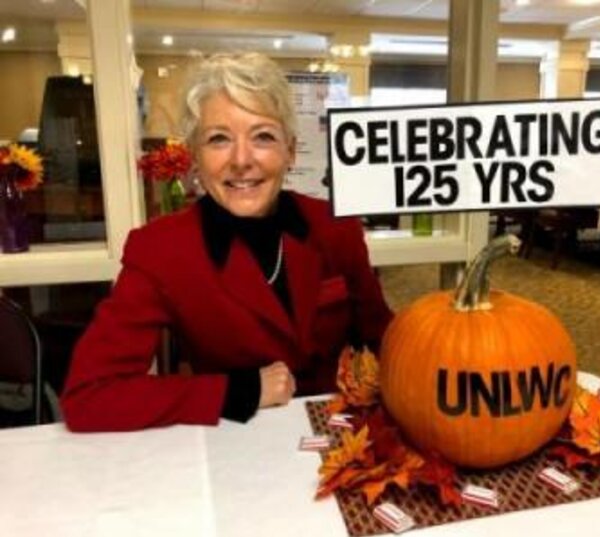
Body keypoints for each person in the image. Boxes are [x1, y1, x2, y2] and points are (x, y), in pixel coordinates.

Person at [60, 52, 393, 432]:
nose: (241, 160)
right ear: (195, 158)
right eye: (218, 139)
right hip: (235, 444)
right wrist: (239, 390)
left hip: (340, 434)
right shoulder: (161, 250)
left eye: (263, 136)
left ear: (291, 151)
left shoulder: (335, 228)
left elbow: (385, 344)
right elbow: (89, 396)